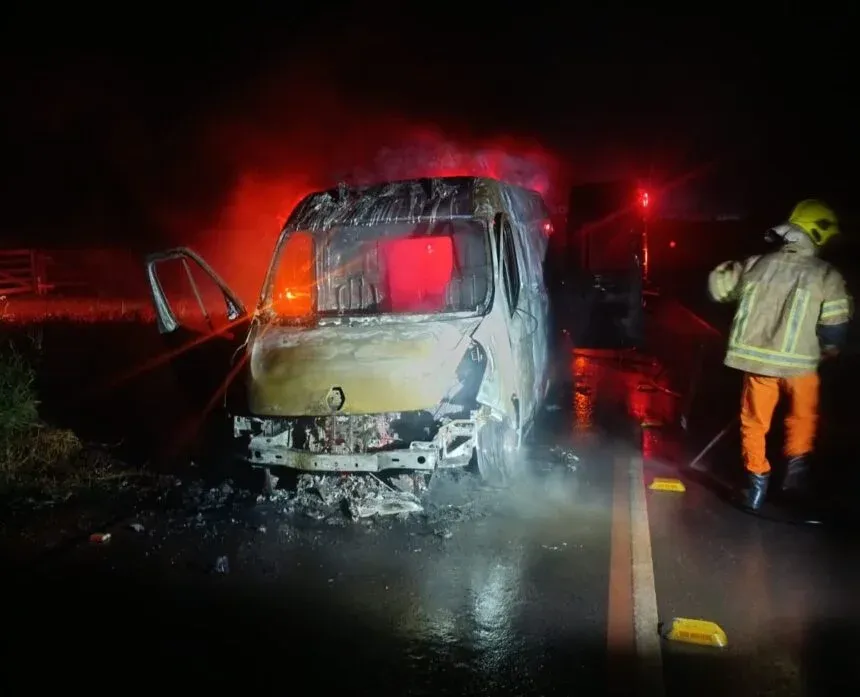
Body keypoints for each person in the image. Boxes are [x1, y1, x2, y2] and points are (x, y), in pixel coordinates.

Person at [707, 199, 853, 510]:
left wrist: (729, 272)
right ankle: (795, 482)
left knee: (755, 423)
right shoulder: (826, 275)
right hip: (802, 366)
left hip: (759, 363)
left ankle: (756, 488)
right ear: (820, 234)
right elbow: (835, 325)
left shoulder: (756, 264)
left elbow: (719, 288)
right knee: (802, 418)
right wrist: (830, 350)